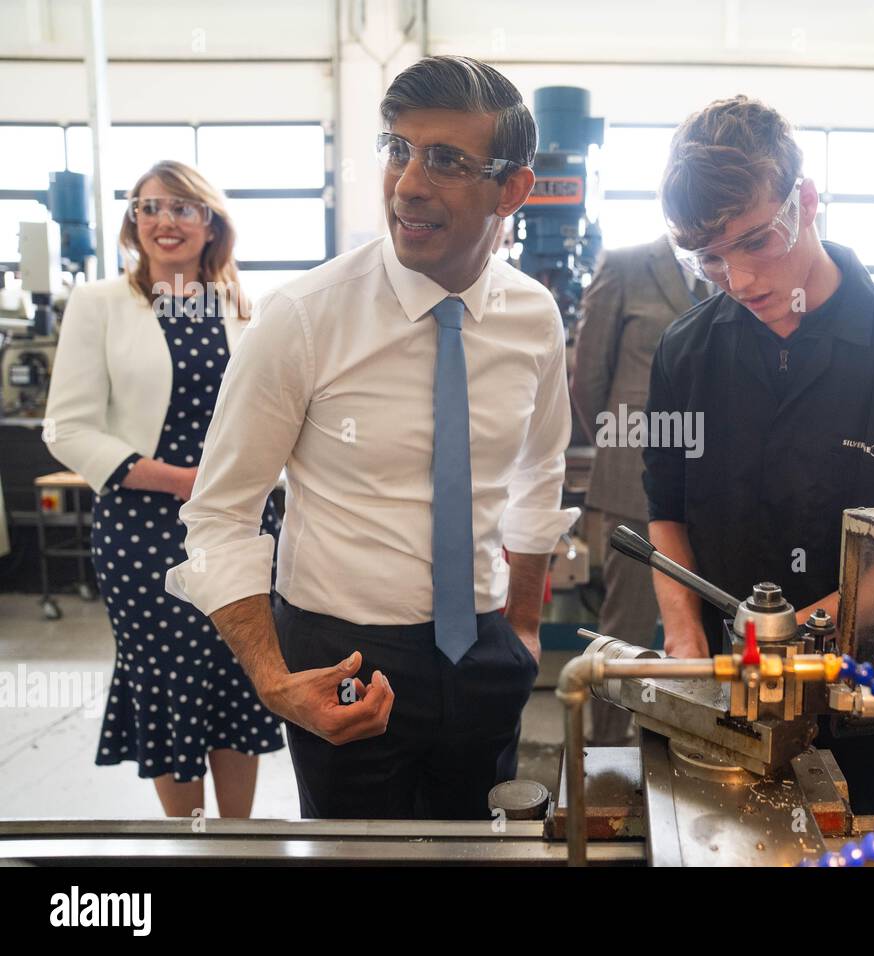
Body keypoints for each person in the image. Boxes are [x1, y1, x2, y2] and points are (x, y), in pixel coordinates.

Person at [165, 56, 578, 821]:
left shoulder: (533, 318)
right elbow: (220, 516)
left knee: (483, 846)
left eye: (446, 160)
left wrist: (521, 626)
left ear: (513, 189)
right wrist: (273, 677)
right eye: (397, 150)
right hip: (342, 653)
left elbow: (537, 470)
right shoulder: (303, 318)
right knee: (358, 853)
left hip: (484, 648)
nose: (408, 184)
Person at [642, 96, 874, 812]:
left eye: (756, 241)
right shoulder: (686, 351)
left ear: (805, 199)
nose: (738, 280)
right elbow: (666, 512)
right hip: (725, 705)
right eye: (708, 258)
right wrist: (684, 641)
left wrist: (794, 637)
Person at [43, 160, 283, 818]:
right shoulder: (101, 305)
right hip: (145, 529)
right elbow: (66, 428)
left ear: (211, 224)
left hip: (240, 523)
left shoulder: (242, 306)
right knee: (170, 678)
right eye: (149, 208)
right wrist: (185, 481)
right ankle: (189, 841)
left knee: (241, 672)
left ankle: (239, 842)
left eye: (182, 208)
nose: (164, 222)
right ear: (133, 222)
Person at [571, 234, 710, 744]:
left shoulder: (727, 269)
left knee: (706, 630)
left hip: (713, 489)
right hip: (633, 481)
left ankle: (698, 743)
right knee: (625, 630)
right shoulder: (626, 267)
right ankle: (606, 753)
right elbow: (587, 379)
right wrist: (621, 446)